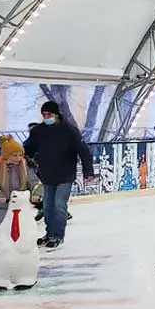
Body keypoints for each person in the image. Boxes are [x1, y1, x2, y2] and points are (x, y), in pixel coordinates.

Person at [24, 100, 93, 250]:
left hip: (65, 175)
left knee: (59, 205)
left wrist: (88, 171)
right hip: (47, 175)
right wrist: (20, 156)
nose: (46, 117)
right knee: (48, 206)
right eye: (43, 114)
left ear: (56, 114)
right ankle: (49, 234)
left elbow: (83, 150)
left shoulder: (69, 130)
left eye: (49, 114)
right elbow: (28, 148)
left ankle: (58, 236)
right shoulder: (38, 131)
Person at [0, 136, 42, 280]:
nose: (18, 158)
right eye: (15, 155)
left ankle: (22, 265)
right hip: (0, 208)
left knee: (22, 236)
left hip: (20, 208)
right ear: (7, 155)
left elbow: (35, 183)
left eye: (20, 155)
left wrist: (36, 194)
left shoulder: (26, 167)